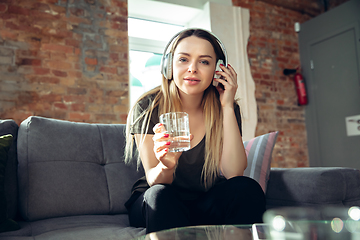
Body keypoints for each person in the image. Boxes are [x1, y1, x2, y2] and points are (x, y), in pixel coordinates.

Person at [124, 28, 265, 234]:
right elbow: (155, 179)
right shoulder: (147, 106)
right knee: (160, 195)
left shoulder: (226, 108)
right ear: (168, 65)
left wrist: (226, 106)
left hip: (203, 201)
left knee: (247, 188)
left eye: (204, 62)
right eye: (183, 59)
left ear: (218, 70)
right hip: (159, 199)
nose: (192, 68)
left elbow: (234, 173)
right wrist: (166, 166)